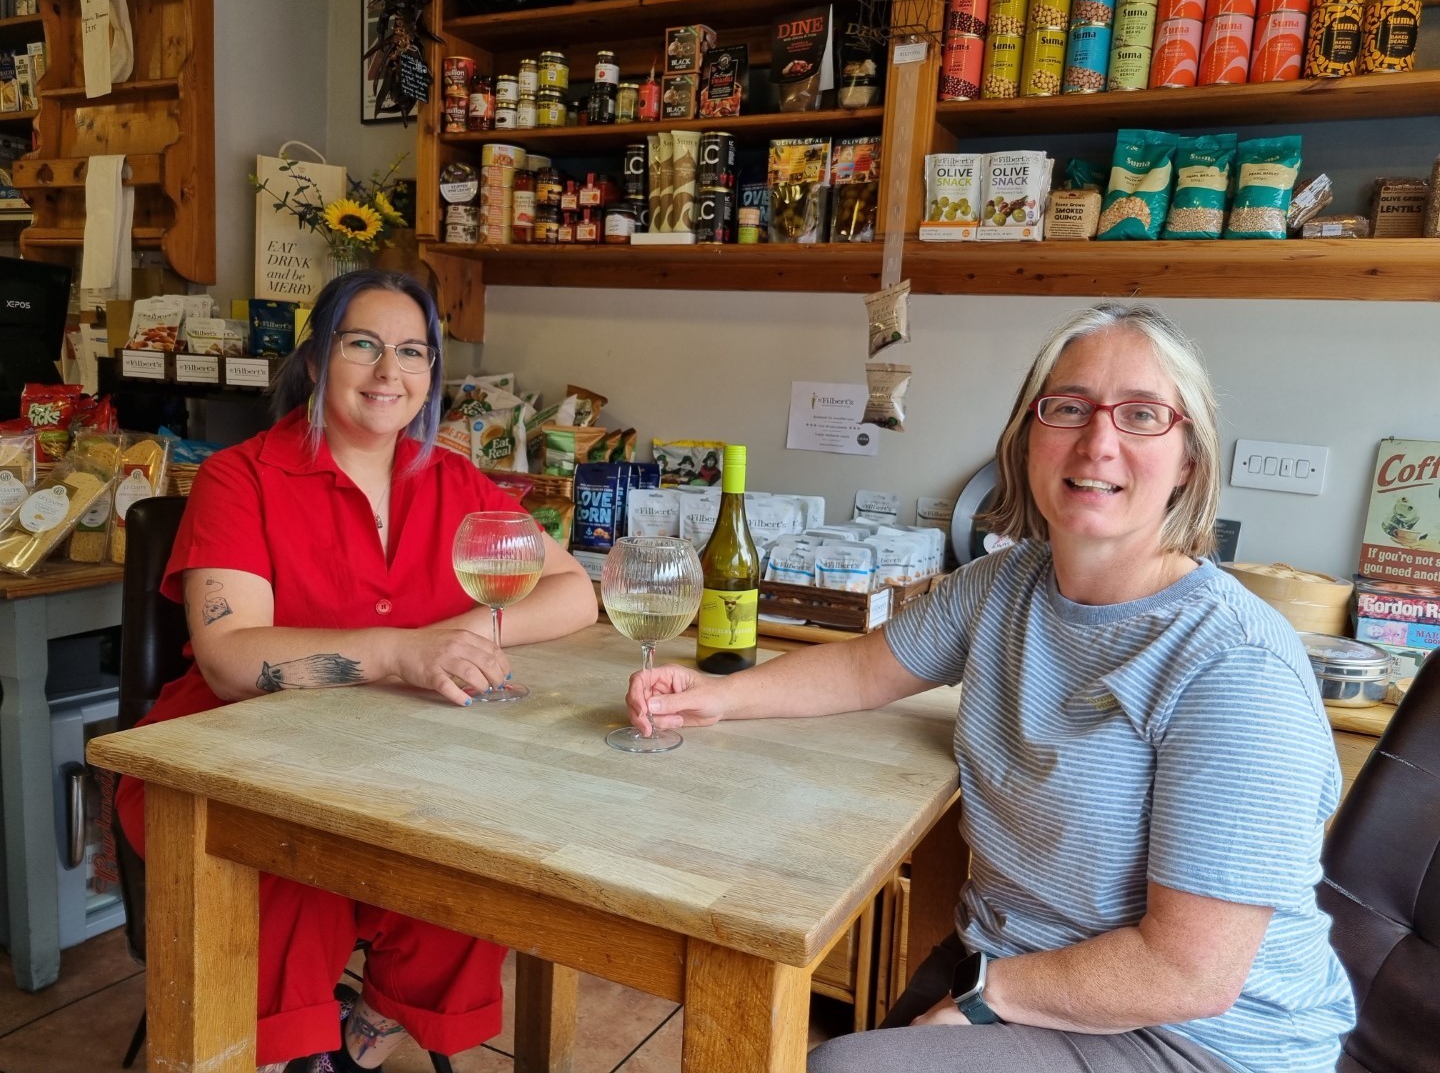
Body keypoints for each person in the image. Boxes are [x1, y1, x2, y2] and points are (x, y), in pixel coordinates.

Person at [625, 302, 1355, 1073]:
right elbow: (866, 667)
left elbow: (1189, 974)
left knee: (842, 1067)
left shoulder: (1235, 669)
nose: (1098, 441)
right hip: (1023, 962)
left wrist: (982, 997)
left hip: (1192, 1041)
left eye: (1141, 415)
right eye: (1068, 407)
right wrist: (714, 695)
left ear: (1190, 461)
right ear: (1027, 439)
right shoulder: (1005, 585)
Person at [114, 269, 597, 1073]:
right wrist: (403, 652)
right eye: (362, 345)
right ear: (314, 360)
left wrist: (457, 631)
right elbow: (232, 659)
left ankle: (364, 1035)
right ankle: (270, 1053)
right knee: (284, 870)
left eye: (412, 353)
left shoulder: (453, 480)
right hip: (224, 764)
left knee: (480, 862)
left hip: (393, 764)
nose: (389, 373)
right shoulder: (244, 477)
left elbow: (574, 588)